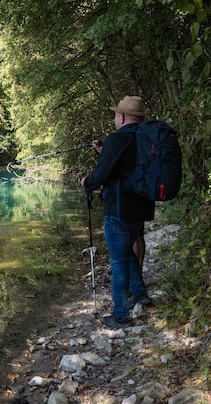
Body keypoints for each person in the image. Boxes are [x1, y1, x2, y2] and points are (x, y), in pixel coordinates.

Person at [80, 95, 154, 329]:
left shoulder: (117, 138)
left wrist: (87, 183)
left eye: (115, 114)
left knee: (119, 260)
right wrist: (104, 151)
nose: (115, 118)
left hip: (119, 207)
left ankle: (121, 315)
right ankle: (140, 294)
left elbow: (102, 174)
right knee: (127, 252)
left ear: (121, 116)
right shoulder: (146, 137)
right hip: (142, 206)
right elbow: (124, 166)